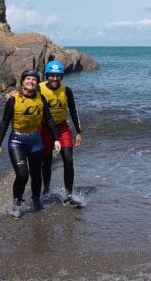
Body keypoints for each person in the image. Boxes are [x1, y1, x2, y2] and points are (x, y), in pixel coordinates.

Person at [0, 68, 61, 218]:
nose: (31, 81)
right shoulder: (13, 99)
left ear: (37, 83)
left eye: (34, 79)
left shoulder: (41, 98)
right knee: (23, 174)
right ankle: (17, 203)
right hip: (17, 141)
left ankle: (36, 200)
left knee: (37, 173)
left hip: (36, 140)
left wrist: (56, 138)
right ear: (23, 82)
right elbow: (4, 122)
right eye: (28, 79)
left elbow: (49, 119)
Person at [40, 60, 83, 206]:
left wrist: (78, 131)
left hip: (62, 127)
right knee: (46, 162)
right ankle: (46, 189)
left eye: (58, 75)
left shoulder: (66, 90)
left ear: (62, 76)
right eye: (51, 75)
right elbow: (23, 97)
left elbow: (73, 110)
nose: (54, 78)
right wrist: (13, 94)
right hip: (44, 128)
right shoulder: (38, 89)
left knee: (68, 160)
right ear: (46, 75)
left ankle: (69, 195)